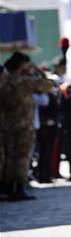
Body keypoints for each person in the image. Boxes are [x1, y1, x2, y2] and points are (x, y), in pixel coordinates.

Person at [0, 52, 54, 200]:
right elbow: (49, 85)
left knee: (9, 157)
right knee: (22, 157)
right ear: (23, 65)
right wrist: (37, 71)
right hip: (24, 127)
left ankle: (8, 187)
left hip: (6, 126)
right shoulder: (25, 82)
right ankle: (19, 188)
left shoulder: (4, 81)